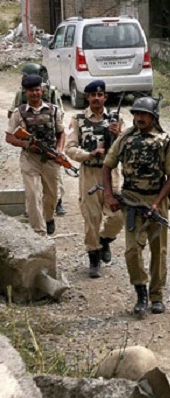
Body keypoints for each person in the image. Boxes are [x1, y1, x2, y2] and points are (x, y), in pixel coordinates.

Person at [102, 96, 170, 316]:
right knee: (132, 250)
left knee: (158, 251)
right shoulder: (125, 139)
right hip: (132, 200)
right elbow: (107, 166)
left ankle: (157, 296)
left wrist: (156, 203)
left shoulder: (166, 141)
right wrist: (109, 195)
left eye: (144, 114)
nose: (139, 118)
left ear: (154, 117)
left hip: (157, 199)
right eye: (136, 114)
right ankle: (141, 292)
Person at [64, 80, 124, 278]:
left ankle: (105, 240)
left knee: (118, 216)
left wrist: (119, 135)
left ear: (105, 97)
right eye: (93, 95)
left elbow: (128, 147)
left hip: (111, 174)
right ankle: (94, 258)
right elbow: (69, 148)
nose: (96, 99)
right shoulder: (78, 119)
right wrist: (89, 154)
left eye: (100, 95)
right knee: (91, 219)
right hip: (89, 174)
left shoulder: (116, 119)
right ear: (88, 97)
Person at [5, 74, 65, 236]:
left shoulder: (53, 110)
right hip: (30, 159)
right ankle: (39, 233)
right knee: (32, 194)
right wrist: (26, 145)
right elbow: (9, 137)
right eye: (31, 91)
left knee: (52, 195)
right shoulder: (19, 113)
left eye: (37, 90)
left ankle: (49, 217)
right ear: (25, 92)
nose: (35, 93)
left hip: (50, 158)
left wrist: (59, 150)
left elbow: (61, 133)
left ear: (42, 91)